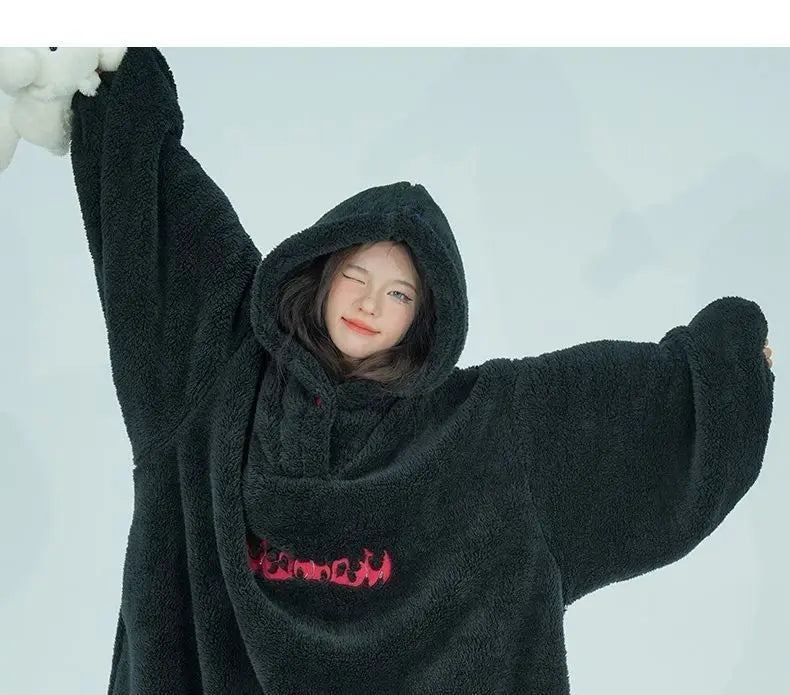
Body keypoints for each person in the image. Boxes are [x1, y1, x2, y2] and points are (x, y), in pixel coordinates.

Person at [69, 48, 775, 695]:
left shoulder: (483, 435)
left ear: (424, 317)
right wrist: (109, 75)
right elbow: (163, 215)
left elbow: (620, 415)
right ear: (319, 274)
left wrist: (727, 370)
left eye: (399, 293)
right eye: (356, 276)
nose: (371, 304)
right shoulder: (219, 374)